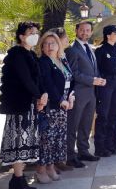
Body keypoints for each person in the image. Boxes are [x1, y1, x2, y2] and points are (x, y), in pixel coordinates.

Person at [0, 22, 47, 189]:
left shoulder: (31, 54)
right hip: (19, 106)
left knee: (25, 143)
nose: (35, 35)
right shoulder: (17, 54)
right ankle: (18, 180)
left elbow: (37, 79)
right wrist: (40, 96)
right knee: (19, 143)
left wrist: (42, 96)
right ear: (21, 36)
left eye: (36, 32)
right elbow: (25, 79)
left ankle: (18, 179)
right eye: (30, 32)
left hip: (30, 105)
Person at [35, 32, 74, 183]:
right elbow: (48, 83)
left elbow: (71, 80)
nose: (50, 46)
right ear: (42, 46)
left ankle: (50, 167)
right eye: (46, 43)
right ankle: (40, 169)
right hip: (50, 107)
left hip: (63, 107)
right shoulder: (43, 62)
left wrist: (71, 96)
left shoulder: (62, 60)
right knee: (46, 139)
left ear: (59, 45)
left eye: (53, 43)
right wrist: (59, 100)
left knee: (57, 139)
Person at [65, 21, 104, 167]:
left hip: (91, 93)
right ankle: (70, 155)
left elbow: (94, 69)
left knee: (86, 124)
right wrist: (92, 80)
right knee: (73, 125)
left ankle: (83, 151)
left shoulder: (90, 48)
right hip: (78, 93)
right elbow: (73, 73)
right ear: (76, 30)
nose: (85, 33)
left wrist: (98, 79)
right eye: (82, 30)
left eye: (88, 30)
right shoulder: (72, 50)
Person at [93, 25, 116, 157]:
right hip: (106, 83)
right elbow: (97, 68)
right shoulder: (100, 50)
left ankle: (111, 142)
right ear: (108, 35)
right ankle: (100, 146)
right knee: (103, 115)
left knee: (114, 114)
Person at [50, 27, 75, 172]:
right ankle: (50, 164)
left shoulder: (63, 56)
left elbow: (69, 77)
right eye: (65, 37)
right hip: (56, 100)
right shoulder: (52, 58)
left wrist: (71, 95)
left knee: (61, 132)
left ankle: (59, 160)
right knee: (52, 134)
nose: (67, 40)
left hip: (66, 98)